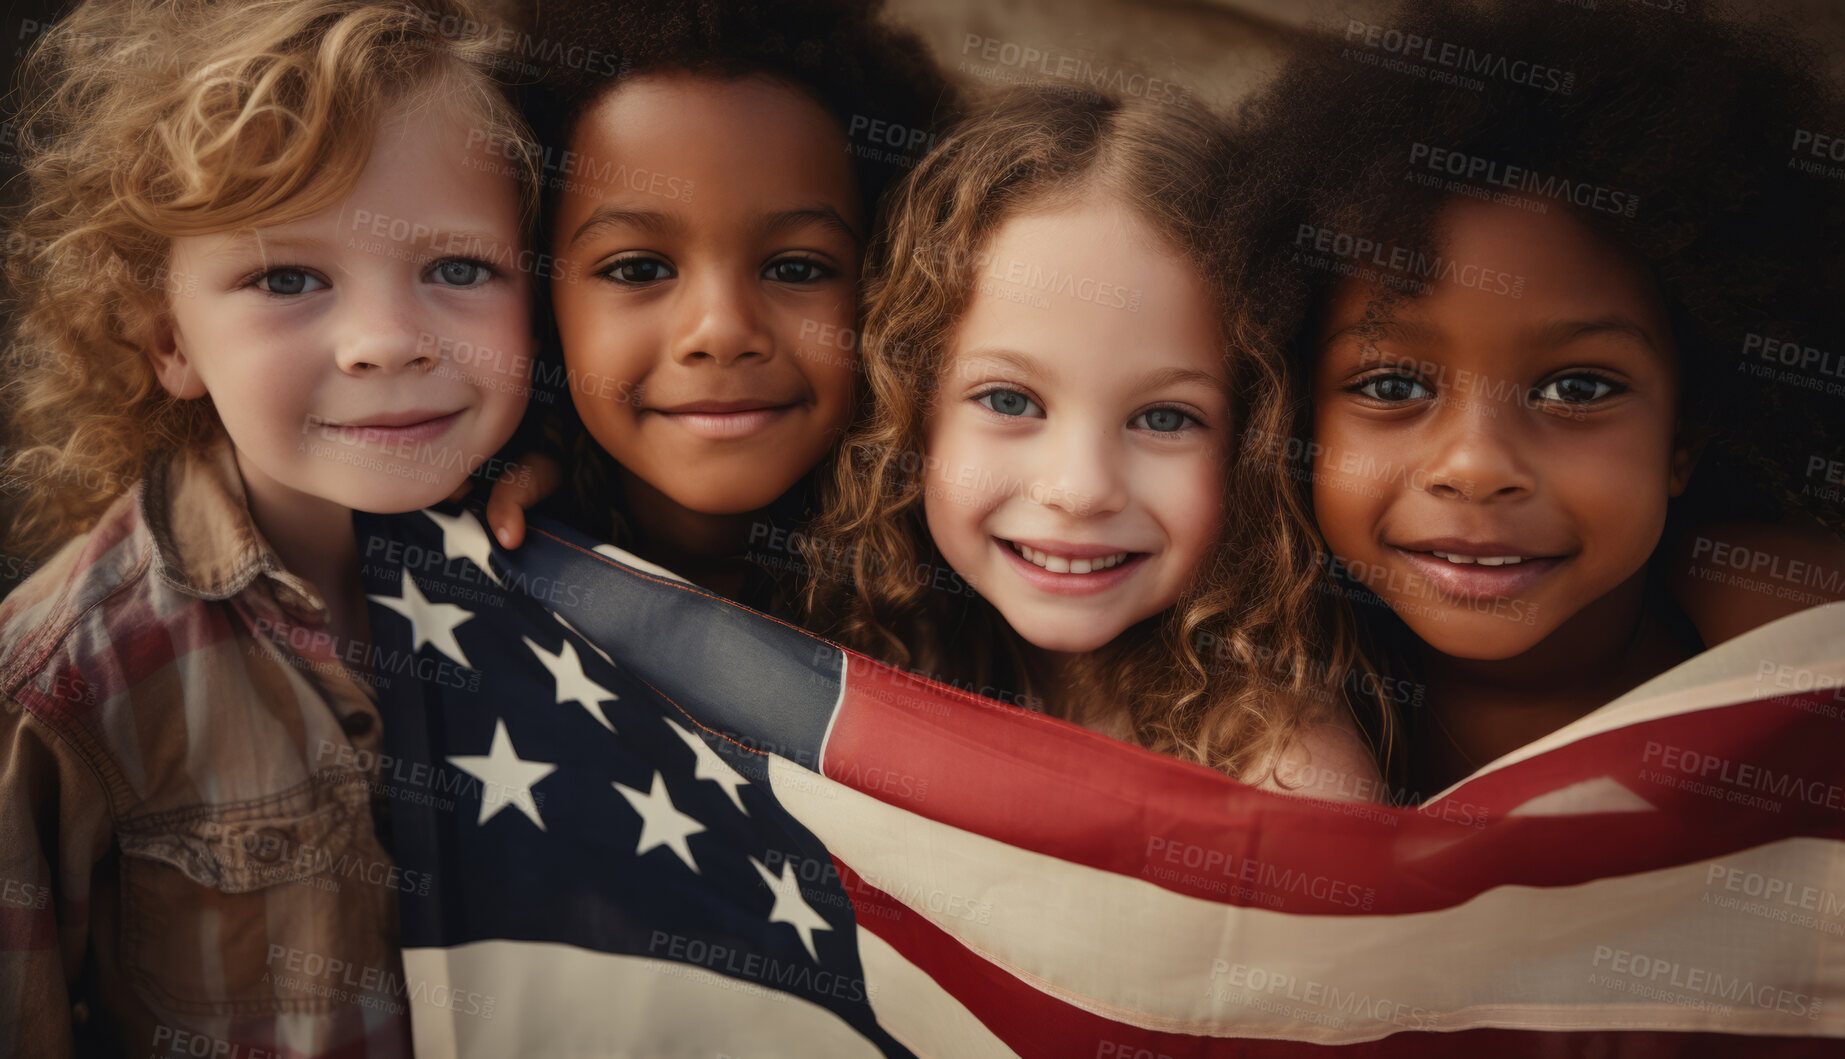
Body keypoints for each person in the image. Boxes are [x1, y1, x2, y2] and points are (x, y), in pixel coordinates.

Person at [0, 0, 538, 1052]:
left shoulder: (586, 572)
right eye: (286, 278)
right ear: (168, 340)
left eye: (460, 269)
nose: (385, 342)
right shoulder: (63, 684)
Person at [1221, 0, 1845, 799]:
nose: (1477, 466)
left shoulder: (1778, 630)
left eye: (1577, 388)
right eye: (1392, 385)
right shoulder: (1250, 656)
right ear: (1293, 414)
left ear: (1687, 432)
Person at [804, 88, 1383, 795]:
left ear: (1252, 446)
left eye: (1165, 417)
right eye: (1009, 400)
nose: (1078, 490)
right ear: (907, 411)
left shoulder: (1286, 777)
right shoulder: (840, 659)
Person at [481, 0, 954, 613]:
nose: (722, 331)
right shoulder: (463, 564)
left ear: (894, 284)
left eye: (796, 268)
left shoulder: (970, 599)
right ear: (541, 300)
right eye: (639, 269)